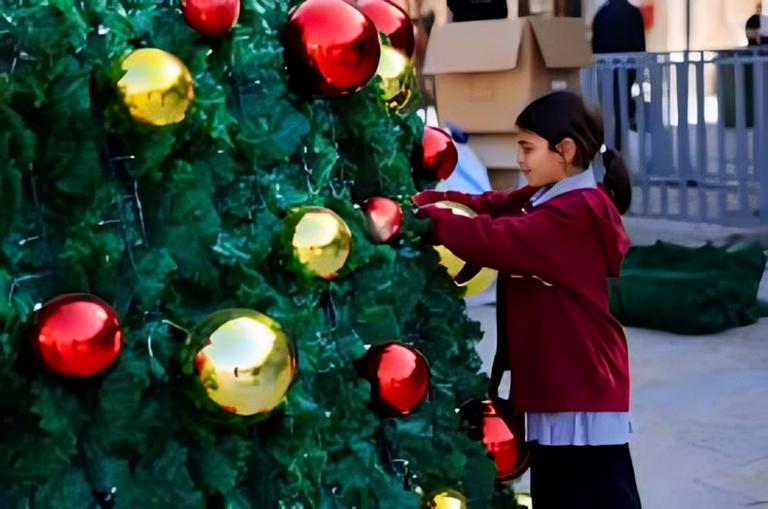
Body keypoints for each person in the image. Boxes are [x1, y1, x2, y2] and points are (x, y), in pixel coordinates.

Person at [413, 91, 641, 509]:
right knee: (557, 493)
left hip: (581, 387)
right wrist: (428, 203)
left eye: (526, 148)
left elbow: (497, 239)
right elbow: (488, 206)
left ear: (566, 150)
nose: (519, 159)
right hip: (555, 384)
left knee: (599, 494)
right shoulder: (546, 193)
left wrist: (428, 223)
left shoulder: (580, 213)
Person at [592, 0, 646, 151]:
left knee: (606, 110)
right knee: (622, 109)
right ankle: (619, 148)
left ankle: (606, 149)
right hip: (626, 70)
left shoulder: (602, 14)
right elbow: (640, 46)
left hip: (605, 71)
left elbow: (595, 46)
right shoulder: (633, 14)